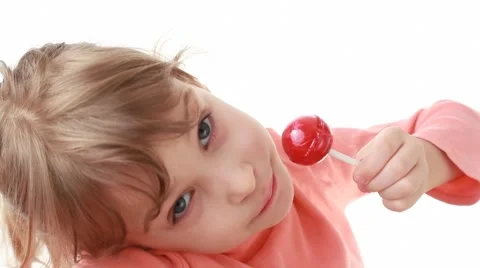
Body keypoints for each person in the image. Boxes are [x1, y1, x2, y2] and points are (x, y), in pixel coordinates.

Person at [0, 42, 478, 268]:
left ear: (189, 83)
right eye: (181, 205)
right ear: (131, 245)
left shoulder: (296, 161)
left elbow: (445, 119)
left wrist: (427, 158)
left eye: (205, 130)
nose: (242, 181)